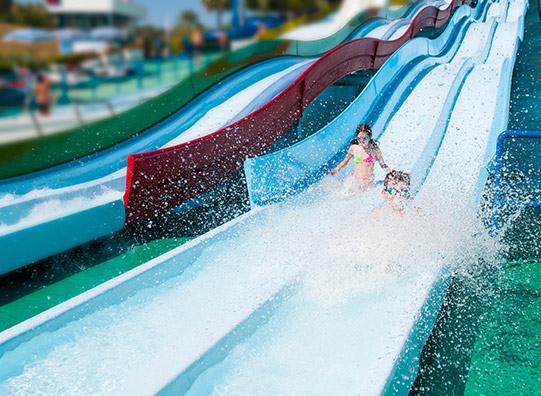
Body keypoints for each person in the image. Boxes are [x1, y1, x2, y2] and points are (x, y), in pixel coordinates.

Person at [328, 123, 391, 193]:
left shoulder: (375, 150)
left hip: (368, 183)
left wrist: (390, 172)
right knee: (341, 194)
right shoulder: (354, 148)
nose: (362, 141)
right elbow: (345, 161)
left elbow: (382, 165)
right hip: (356, 181)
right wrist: (335, 170)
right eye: (359, 138)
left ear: (369, 137)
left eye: (365, 138)